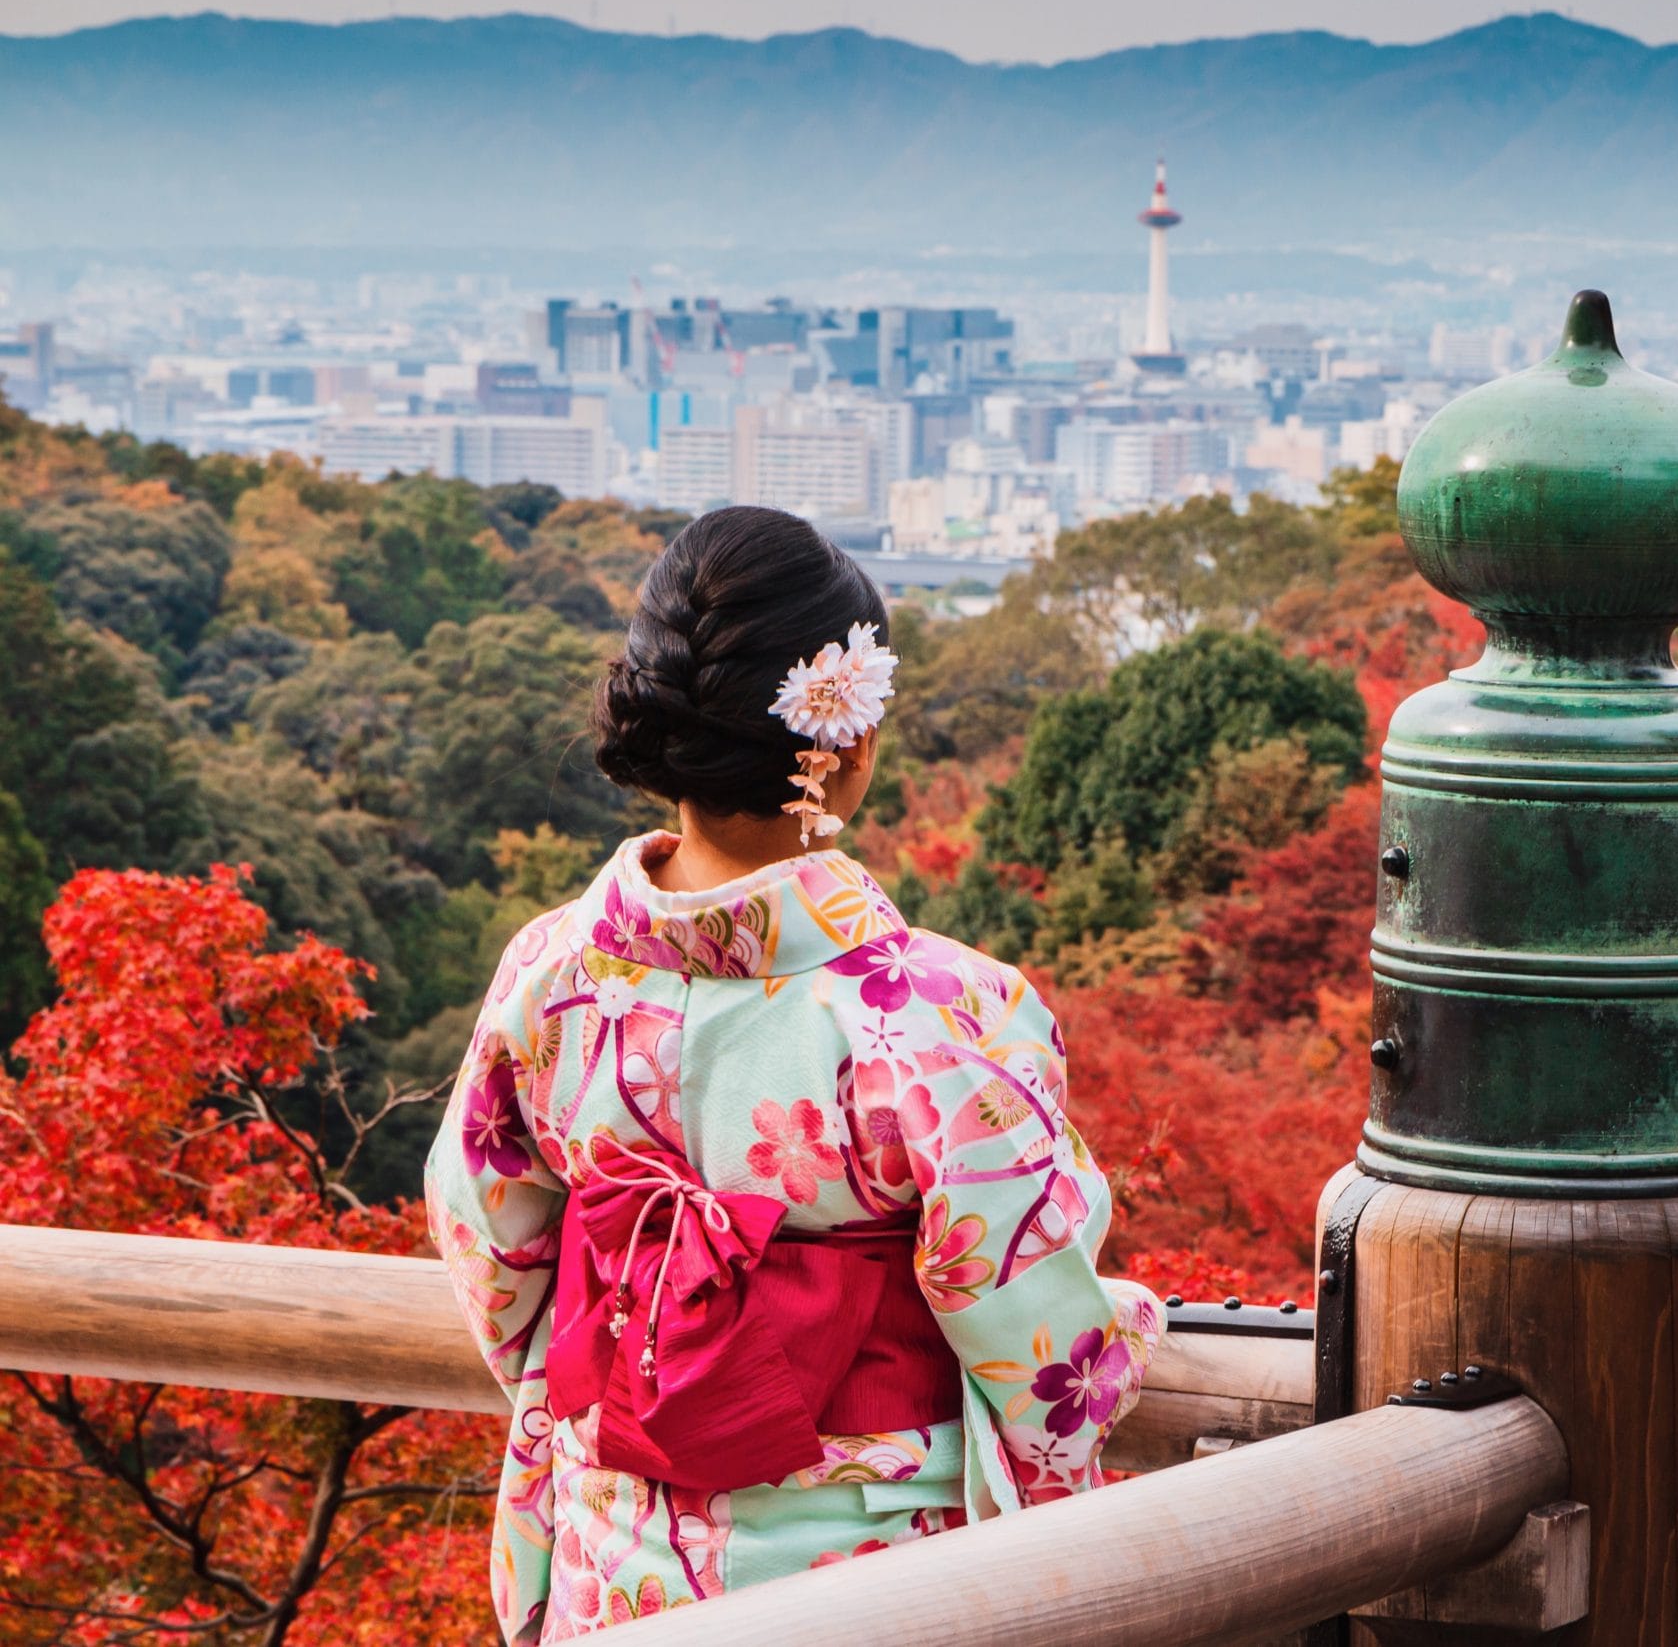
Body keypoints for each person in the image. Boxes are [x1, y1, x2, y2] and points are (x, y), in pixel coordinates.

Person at [426, 504, 1160, 1641]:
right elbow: (1038, 1342)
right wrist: (1132, 1328)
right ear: (849, 739)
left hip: (617, 1554)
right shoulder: (940, 1011)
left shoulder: (548, 977)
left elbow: (492, 1257)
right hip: (869, 1567)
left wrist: (641, 1366)